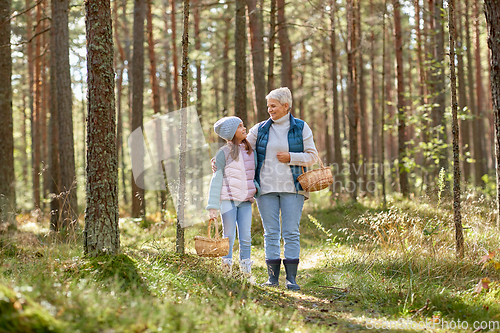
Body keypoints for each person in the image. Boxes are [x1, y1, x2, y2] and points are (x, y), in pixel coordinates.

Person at [246, 87, 318, 290]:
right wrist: (222, 158)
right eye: (268, 106)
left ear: (286, 106)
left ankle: (291, 279)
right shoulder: (259, 129)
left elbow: (312, 156)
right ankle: (272, 278)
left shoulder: (301, 127)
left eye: (273, 106)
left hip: (293, 187)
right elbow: (243, 149)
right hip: (265, 189)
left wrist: (291, 157)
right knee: (270, 233)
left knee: (291, 232)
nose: (269, 109)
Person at [206, 116, 260, 279]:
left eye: (243, 125)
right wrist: (212, 206)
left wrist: (255, 187)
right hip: (228, 202)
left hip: (245, 202)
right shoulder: (223, 153)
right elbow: (216, 179)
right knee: (228, 236)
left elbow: (254, 174)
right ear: (231, 132)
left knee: (246, 237)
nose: (244, 129)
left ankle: (245, 272)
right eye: (240, 126)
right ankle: (226, 271)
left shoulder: (251, 151)